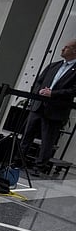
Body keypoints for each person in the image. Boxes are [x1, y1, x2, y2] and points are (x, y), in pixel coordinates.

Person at [19, 39, 76, 175]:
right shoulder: (54, 65)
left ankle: (39, 167)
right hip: (38, 106)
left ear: (75, 51)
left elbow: (74, 90)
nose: (62, 49)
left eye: (67, 47)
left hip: (55, 110)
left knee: (47, 141)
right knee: (27, 136)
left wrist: (53, 94)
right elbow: (39, 81)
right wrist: (38, 92)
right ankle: (18, 160)